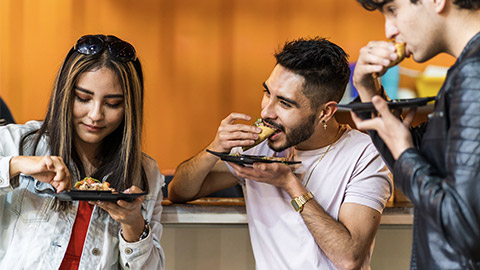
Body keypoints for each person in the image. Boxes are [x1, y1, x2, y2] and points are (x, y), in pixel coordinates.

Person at [168, 37, 392, 269]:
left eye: (285, 104)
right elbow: (179, 191)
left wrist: (289, 183)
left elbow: (349, 258)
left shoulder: (365, 154)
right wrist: (213, 149)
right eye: (267, 93)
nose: (266, 112)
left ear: (325, 112)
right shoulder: (257, 147)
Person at [0, 34, 165, 269]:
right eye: (83, 98)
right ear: (65, 94)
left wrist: (133, 224)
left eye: (113, 104)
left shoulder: (145, 171)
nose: (95, 114)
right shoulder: (20, 142)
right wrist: (17, 165)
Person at [351, 0, 480, 268]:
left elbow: (464, 225)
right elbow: (427, 163)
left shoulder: (473, 74)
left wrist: (404, 151)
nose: (389, 30)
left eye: (392, 9)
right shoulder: (465, 69)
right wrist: (367, 89)